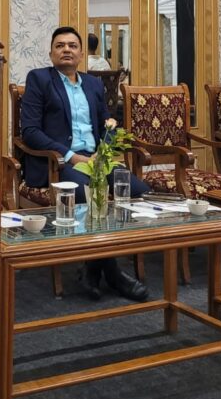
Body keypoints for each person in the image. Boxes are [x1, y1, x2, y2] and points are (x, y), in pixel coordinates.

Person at [20, 26, 149, 301]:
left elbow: (107, 123)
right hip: (59, 162)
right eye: (60, 45)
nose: (66, 49)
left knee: (138, 191)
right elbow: (30, 131)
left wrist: (106, 147)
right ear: (51, 53)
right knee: (87, 195)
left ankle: (91, 269)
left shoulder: (92, 84)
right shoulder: (39, 79)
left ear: (81, 54)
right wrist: (70, 155)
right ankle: (114, 274)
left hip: (96, 159)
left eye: (72, 45)